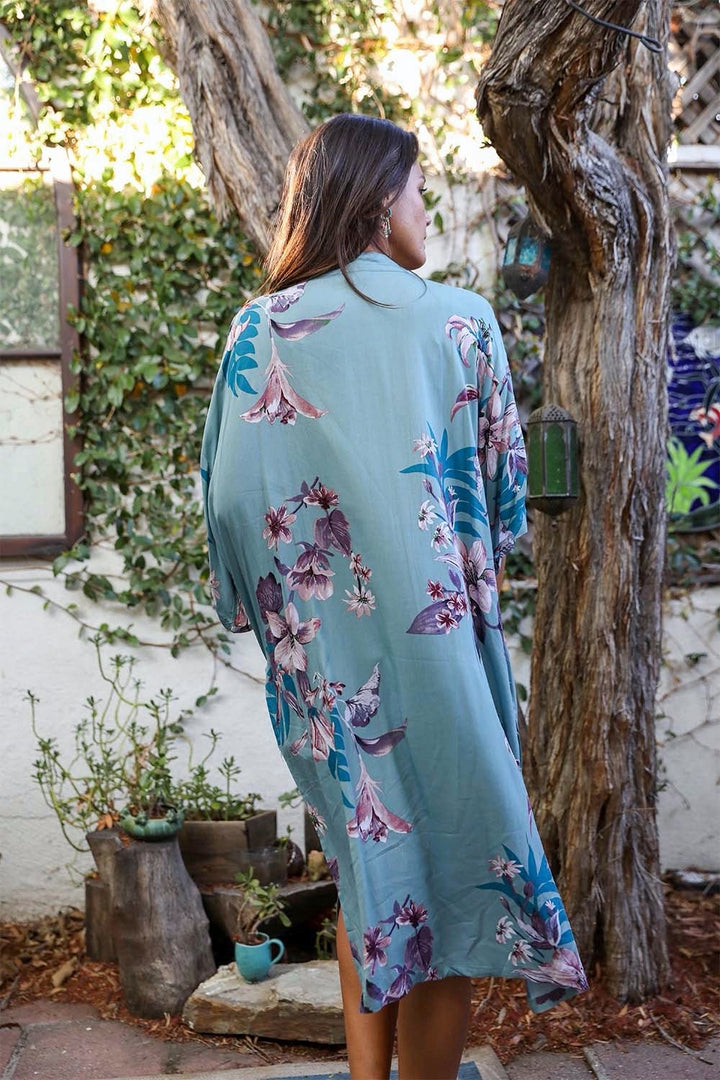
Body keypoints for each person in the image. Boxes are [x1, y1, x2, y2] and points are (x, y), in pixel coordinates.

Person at [201, 113, 587, 1080]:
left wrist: (289, 616)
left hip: (327, 669)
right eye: (418, 190)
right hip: (443, 651)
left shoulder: (263, 326)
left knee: (371, 873)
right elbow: (503, 501)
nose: (426, 210)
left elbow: (233, 502)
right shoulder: (462, 321)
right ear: (380, 198)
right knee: (453, 885)